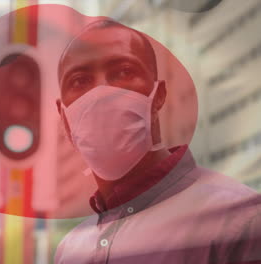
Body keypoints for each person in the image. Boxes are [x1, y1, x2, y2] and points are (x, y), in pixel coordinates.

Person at [54, 19, 261, 264]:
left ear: (158, 96)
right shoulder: (70, 249)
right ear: (64, 116)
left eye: (124, 72)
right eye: (80, 81)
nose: (102, 93)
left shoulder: (238, 221)